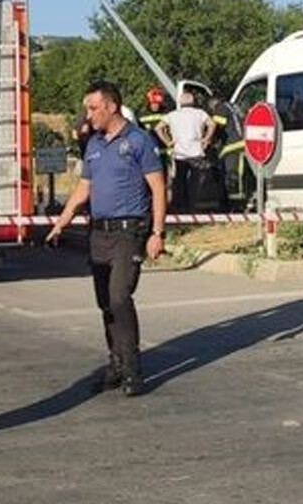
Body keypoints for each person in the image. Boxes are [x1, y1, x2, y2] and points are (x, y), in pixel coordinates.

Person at [46, 81, 166, 397]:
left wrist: (157, 233)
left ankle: (132, 368)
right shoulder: (95, 145)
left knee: (119, 296)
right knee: (104, 303)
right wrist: (61, 223)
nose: (88, 116)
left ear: (111, 107)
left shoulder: (139, 141)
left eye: (93, 108)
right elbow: (83, 189)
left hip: (130, 232)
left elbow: (158, 188)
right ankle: (115, 361)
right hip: (99, 232)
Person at [156, 91, 214, 213]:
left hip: (180, 153)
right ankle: (193, 206)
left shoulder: (172, 115)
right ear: (193, 103)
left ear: (180, 103)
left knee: (180, 180)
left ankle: (180, 207)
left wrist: (168, 142)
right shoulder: (200, 113)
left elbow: (158, 128)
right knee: (195, 181)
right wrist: (206, 139)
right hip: (196, 152)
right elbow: (212, 124)